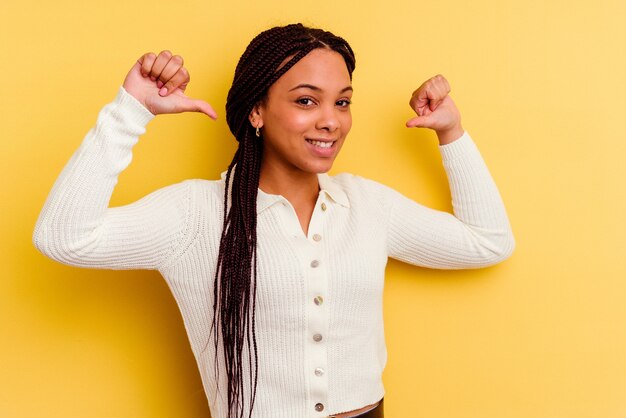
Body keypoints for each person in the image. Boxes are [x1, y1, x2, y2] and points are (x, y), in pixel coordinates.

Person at [33, 23, 515, 418]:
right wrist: (129, 111)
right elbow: (63, 238)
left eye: (342, 101)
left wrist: (451, 132)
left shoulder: (366, 205)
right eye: (307, 100)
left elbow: (488, 243)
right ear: (257, 111)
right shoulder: (195, 216)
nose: (331, 120)